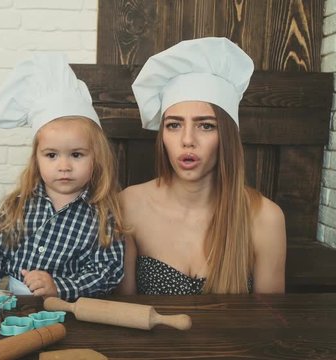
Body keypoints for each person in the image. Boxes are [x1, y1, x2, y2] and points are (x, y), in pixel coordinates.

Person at [118, 37, 286, 295]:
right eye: (174, 125)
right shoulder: (129, 205)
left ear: (227, 136)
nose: (187, 140)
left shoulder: (265, 218)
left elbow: (269, 320)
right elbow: (124, 310)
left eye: (206, 125)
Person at [0, 54, 126, 300]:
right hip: (15, 308)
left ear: (96, 157)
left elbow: (108, 271)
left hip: (72, 307)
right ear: (36, 159)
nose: (64, 166)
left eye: (77, 155)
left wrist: (60, 286)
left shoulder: (103, 213)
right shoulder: (19, 204)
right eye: (51, 155)